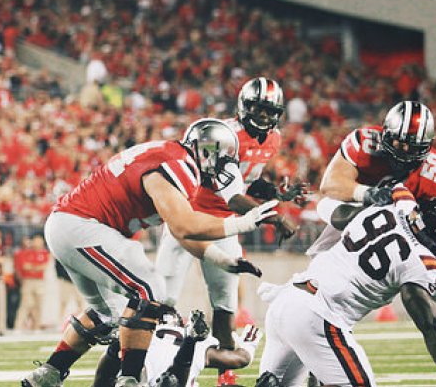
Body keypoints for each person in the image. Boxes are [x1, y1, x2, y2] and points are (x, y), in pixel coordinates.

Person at [22, 119, 278, 387]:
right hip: (82, 225)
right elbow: (184, 225)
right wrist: (246, 221)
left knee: (110, 314)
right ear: (207, 150)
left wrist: (223, 261)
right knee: (151, 289)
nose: (225, 167)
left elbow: (182, 233)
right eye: (224, 159)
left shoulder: (173, 158)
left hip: (71, 226)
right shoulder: (180, 164)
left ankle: (48, 373)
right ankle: (130, 378)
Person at [312, 100, 436, 384]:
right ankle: (312, 372)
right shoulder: (364, 142)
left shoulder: (435, 172)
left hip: (411, 230)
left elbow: (432, 220)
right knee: (315, 296)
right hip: (356, 217)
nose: (403, 153)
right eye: (398, 144)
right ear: (386, 134)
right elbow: (330, 185)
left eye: (412, 148)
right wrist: (367, 195)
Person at [154, 79, 304, 387]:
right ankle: (142, 364)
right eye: (258, 110)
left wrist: (277, 192)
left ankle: (226, 373)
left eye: (269, 111)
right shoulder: (220, 135)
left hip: (224, 225)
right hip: (189, 219)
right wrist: (273, 216)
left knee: (225, 305)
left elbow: (248, 182)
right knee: (161, 298)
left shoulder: (273, 139)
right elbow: (231, 193)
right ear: (244, 106)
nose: (264, 117)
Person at [257, 190, 436, 387]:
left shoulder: (389, 208)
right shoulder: (423, 264)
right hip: (320, 317)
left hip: (287, 299)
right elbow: (430, 324)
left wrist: (366, 199)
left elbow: (337, 215)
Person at [145, 311, 261, 387]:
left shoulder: (140, 338)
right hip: (188, 358)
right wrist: (248, 343)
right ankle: (190, 341)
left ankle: (189, 342)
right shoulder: (198, 343)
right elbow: (240, 359)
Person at [14, 233, 51, 332]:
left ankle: (36, 327)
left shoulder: (44, 253)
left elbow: (44, 266)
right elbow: (25, 266)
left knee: (38, 304)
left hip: (39, 281)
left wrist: (33, 267)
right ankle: (18, 326)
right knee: (26, 304)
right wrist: (36, 267)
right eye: (36, 240)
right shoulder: (26, 252)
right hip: (28, 281)